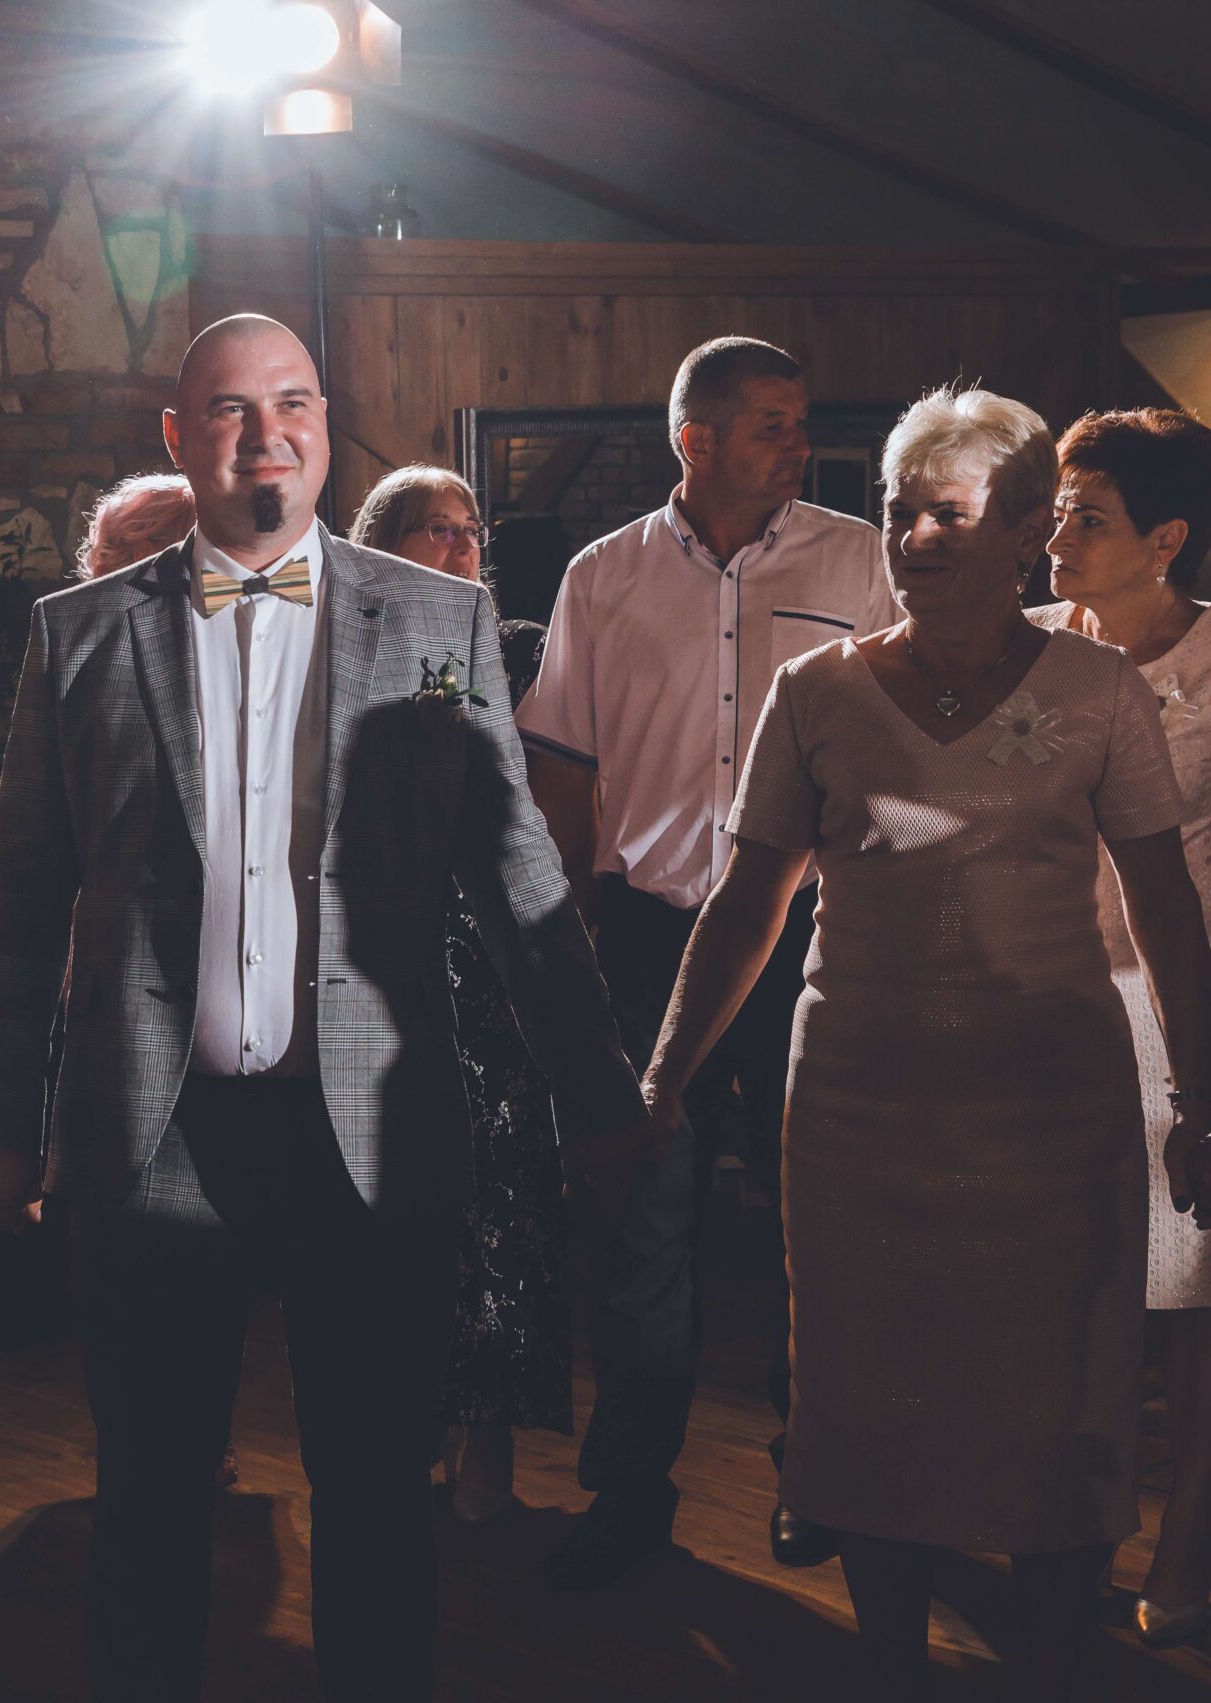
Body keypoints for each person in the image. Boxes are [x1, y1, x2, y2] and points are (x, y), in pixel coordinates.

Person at [0, 314, 644, 1703]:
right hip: (154, 1133)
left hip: (370, 1126)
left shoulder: (435, 621)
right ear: (178, 436)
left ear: (325, 423)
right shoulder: (80, 634)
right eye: (230, 409)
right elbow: (20, 897)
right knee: (148, 1493)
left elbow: (517, 873)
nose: (266, 435)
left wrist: (598, 1091)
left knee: (377, 1494)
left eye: (294, 403)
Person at [640, 387, 1211, 1699]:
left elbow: (1166, 906)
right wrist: (661, 1079)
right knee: (868, 1410)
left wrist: (1198, 1093)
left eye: (948, 513)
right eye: (899, 511)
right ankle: (888, 1664)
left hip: (1054, 1122)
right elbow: (746, 904)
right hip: (860, 1121)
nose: (914, 537)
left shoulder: (1098, 691)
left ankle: (1052, 1668)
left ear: (1022, 529)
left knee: (1059, 1414)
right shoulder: (816, 691)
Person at [516, 335, 898, 1585]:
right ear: (697, 439)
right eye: (773, 422)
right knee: (639, 1222)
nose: (800, 442)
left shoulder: (859, 559)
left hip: (814, 935)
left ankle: (818, 1473)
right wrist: (566, 936)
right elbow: (562, 772)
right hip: (645, 936)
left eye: (799, 419)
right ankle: (630, 1491)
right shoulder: (601, 574)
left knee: (816, 1218)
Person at [351, 463, 569, 1524]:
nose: (460, 544)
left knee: (505, 1199)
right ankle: (406, 1429)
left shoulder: (523, 650)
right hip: (378, 957)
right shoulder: (336, 651)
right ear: (377, 544)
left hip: (492, 962)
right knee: (396, 1212)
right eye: (432, 528)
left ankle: (491, 1451)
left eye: (470, 527)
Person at [1032, 405, 1211, 1646]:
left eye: (1086, 518)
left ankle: (1188, 1537)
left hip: (1183, 1005)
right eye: (1055, 511)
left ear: (1165, 539)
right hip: (1048, 1003)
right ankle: (1067, 1526)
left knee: (1190, 1296)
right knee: (1068, 1292)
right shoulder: (1025, 650)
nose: (1055, 538)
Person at [0, 472, 198, 944]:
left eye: (120, 554)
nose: (101, 569)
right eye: (104, 553)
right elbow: (11, 813)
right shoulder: (83, 657)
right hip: (111, 946)